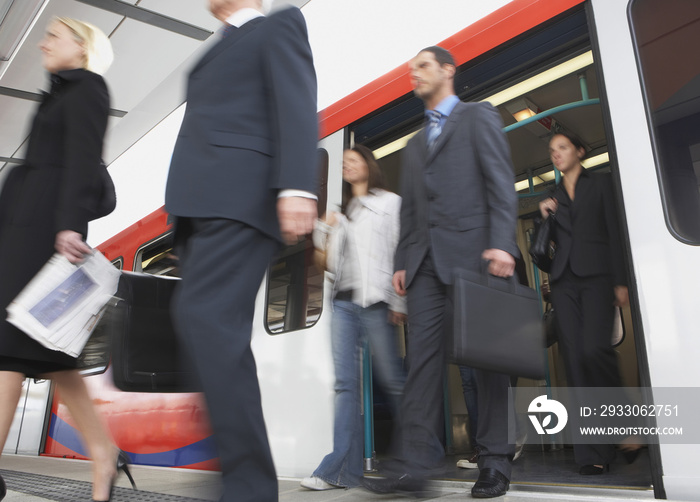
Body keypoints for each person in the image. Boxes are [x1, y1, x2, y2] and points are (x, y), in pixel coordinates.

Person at [164, 0, 318, 500]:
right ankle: (245, 481)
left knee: (207, 321)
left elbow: (297, 97)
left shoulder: (278, 24)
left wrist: (298, 184)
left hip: (239, 198)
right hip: (204, 208)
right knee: (204, 326)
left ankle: (248, 488)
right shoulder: (218, 47)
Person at [361, 46, 518, 499]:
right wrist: (401, 265)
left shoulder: (477, 116)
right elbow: (411, 213)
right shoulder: (412, 146)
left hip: (476, 257)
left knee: (489, 363)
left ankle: (494, 462)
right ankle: (413, 466)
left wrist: (503, 243)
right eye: (410, 69)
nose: (414, 74)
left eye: (423, 66)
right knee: (422, 367)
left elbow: (500, 182)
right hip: (424, 267)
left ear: (449, 70)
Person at [0, 17, 134, 502]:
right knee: (52, 358)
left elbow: (82, 159)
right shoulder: (59, 92)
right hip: (22, 228)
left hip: (42, 233)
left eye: (53, 36)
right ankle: (103, 454)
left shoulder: (88, 88)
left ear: (81, 46)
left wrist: (70, 225)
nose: (42, 42)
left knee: (9, 349)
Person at [301, 145, 406, 490]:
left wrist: (398, 303)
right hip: (343, 306)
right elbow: (326, 266)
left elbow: (397, 252)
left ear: (368, 165)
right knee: (345, 386)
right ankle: (340, 471)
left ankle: (417, 458)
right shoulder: (341, 214)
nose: (346, 163)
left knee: (393, 382)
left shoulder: (390, 202)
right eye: (343, 161)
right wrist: (325, 231)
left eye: (354, 159)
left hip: (376, 301)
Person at [538, 132, 635, 474]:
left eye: (562, 148)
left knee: (596, 351)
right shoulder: (552, 195)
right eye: (552, 151)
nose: (556, 154)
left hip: (598, 278)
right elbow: (546, 246)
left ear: (580, 150)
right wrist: (544, 215)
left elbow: (615, 232)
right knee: (576, 363)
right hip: (563, 282)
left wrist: (621, 280)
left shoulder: (602, 184)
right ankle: (591, 453)